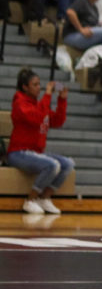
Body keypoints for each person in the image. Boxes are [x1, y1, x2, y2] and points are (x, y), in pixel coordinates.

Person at [6, 68, 74, 215]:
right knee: (52, 165)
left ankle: (44, 198)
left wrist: (62, 99)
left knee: (67, 164)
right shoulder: (20, 104)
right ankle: (30, 201)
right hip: (18, 153)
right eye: (35, 85)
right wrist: (48, 95)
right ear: (25, 87)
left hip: (35, 152)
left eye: (39, 84)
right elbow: (37, 118)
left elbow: (57, 121)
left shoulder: (39, 105)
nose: (40, 88)